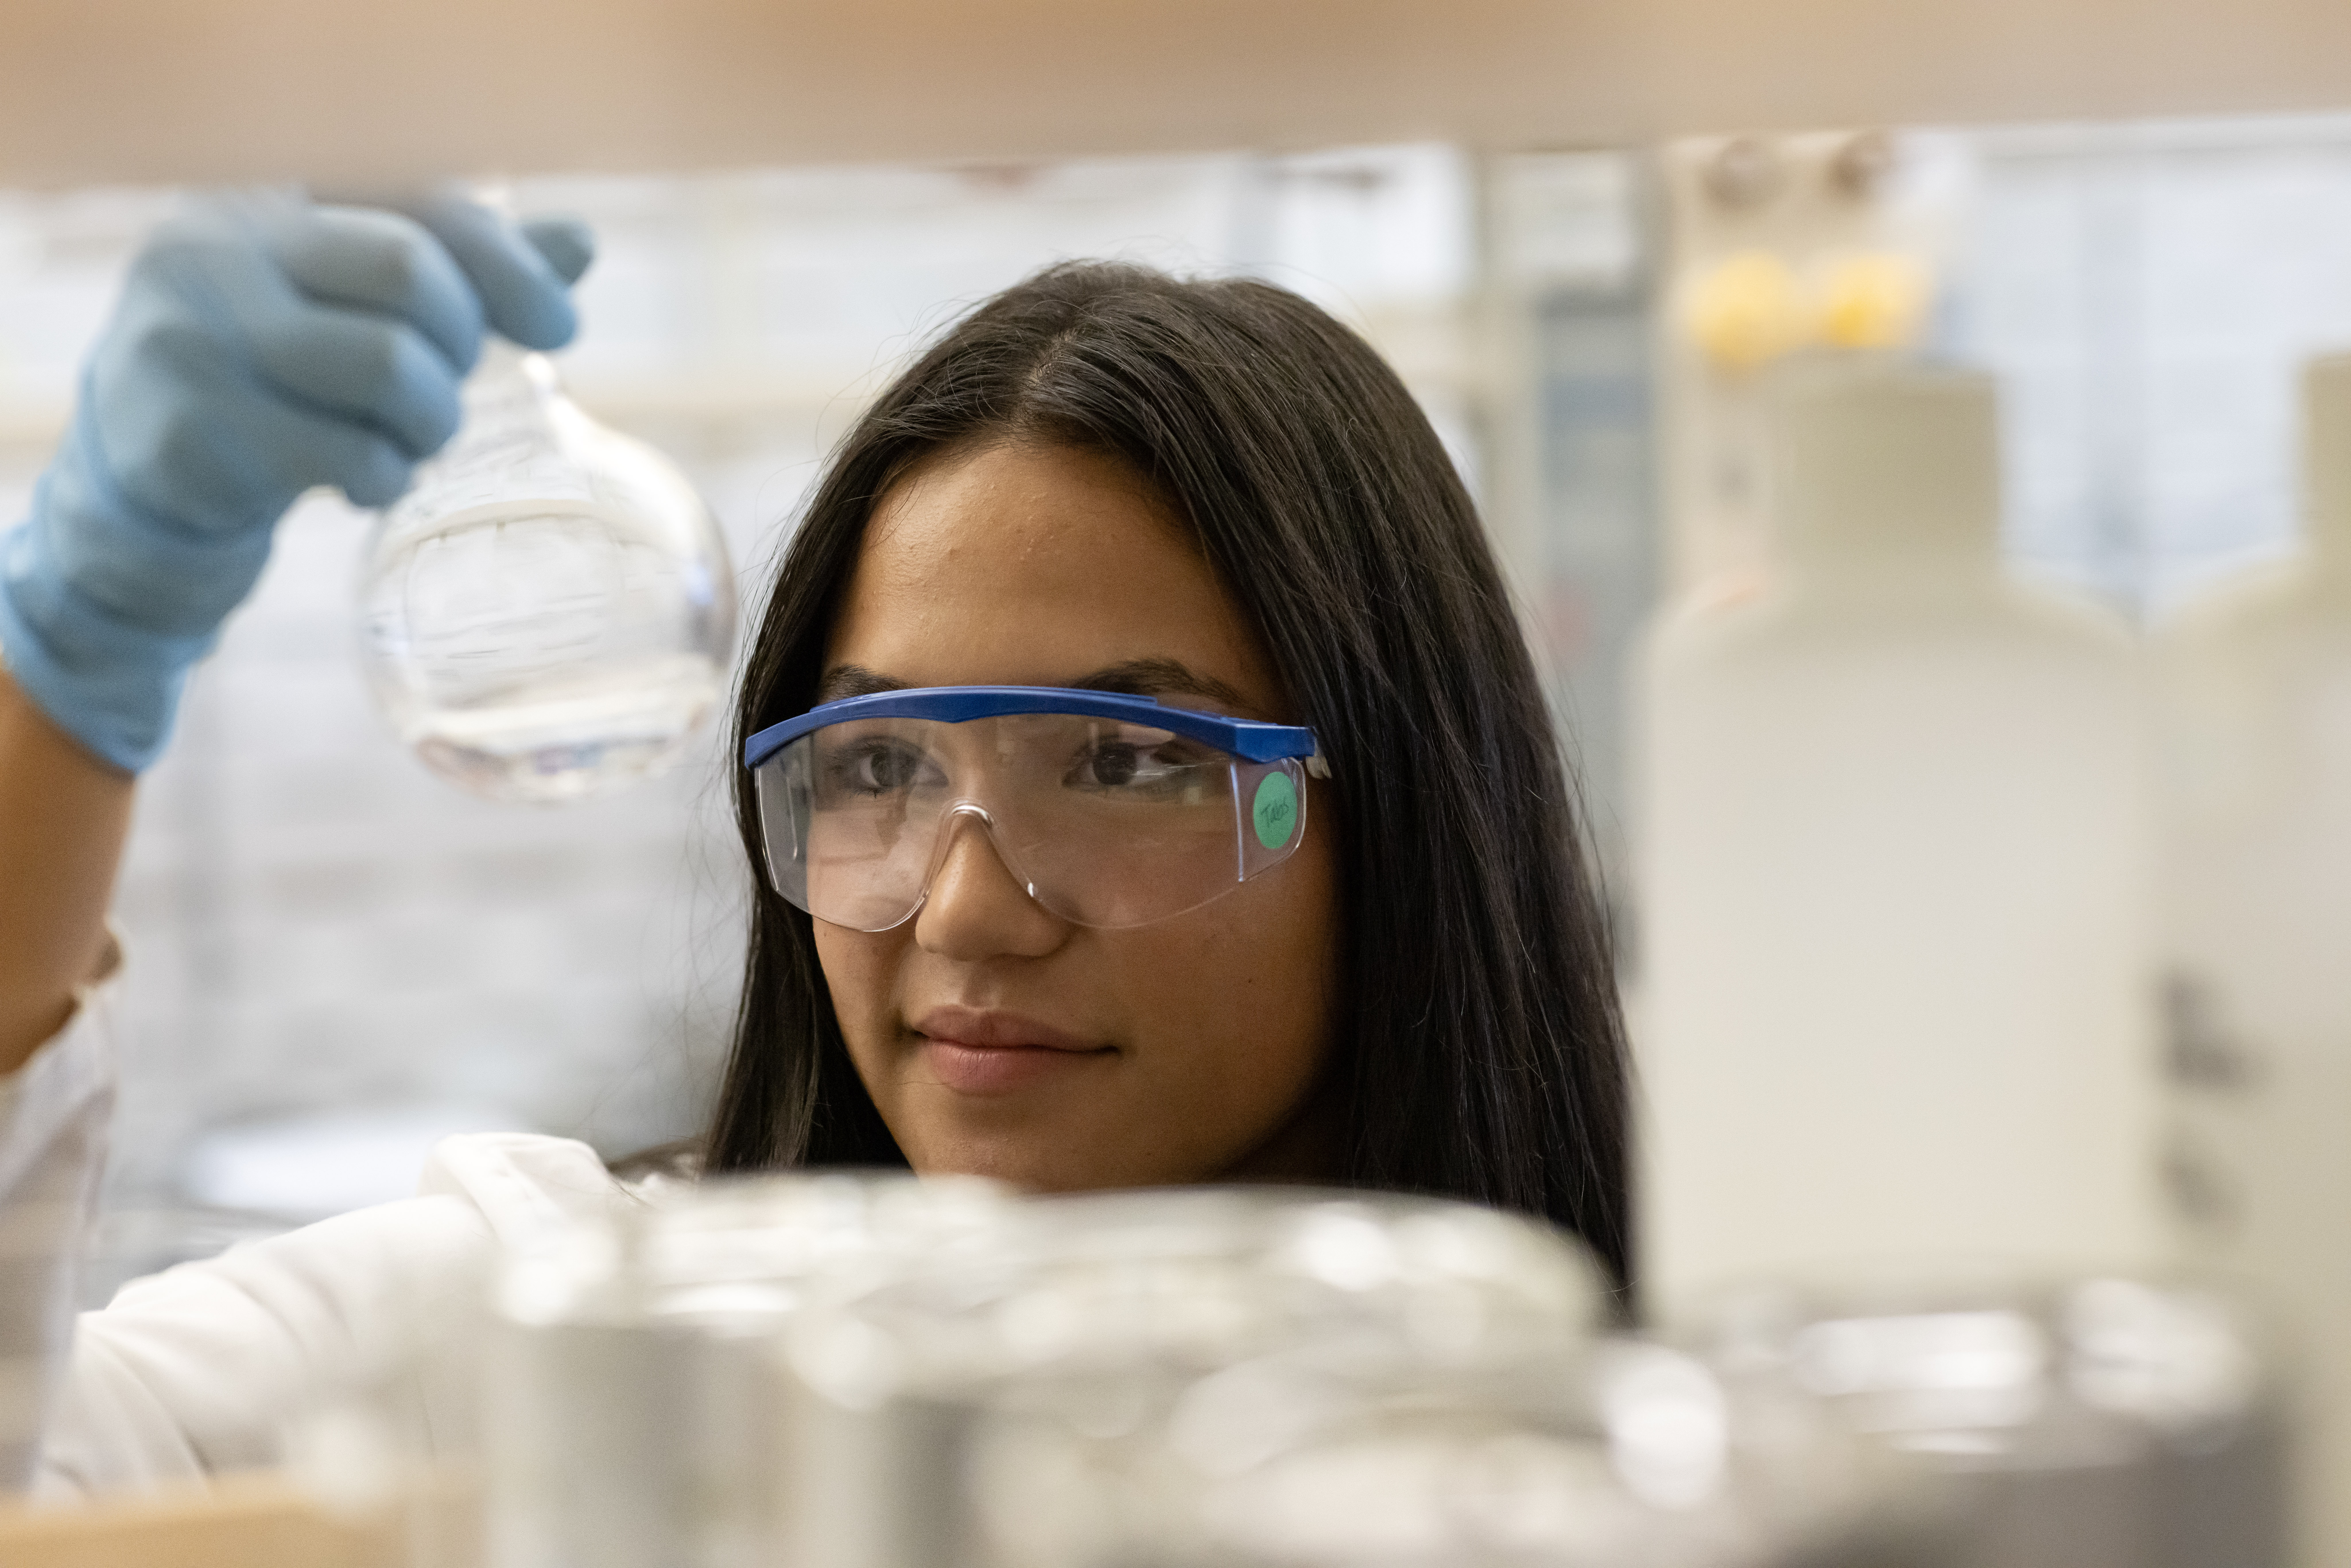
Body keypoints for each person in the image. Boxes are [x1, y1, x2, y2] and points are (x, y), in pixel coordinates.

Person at [0, 190, 1630, 1496]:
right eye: (878, 764)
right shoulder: (584, 1323)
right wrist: (79, 641)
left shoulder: (1669, 1448)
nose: (970, 909)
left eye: (1130, 758)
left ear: (1404, 805)